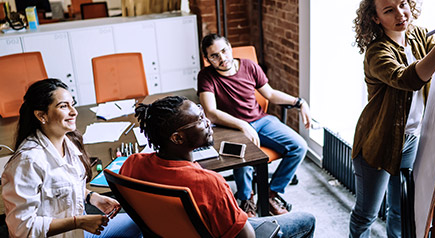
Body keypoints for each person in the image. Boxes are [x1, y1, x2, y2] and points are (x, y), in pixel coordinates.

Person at [349, 0, 435, 238]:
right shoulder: (376, 53)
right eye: (389, 11)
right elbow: (408, 79)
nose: (401, 14)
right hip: (376, 144)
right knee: (365, 215)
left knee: (399, 209)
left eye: (403, 5)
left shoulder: (418, 35)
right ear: (376, 19)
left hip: (409, 140)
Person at [120, 95, 316, 237]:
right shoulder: (210, 183)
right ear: (177, 138)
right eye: (200, 120)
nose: (208, 123)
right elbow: (246, 237)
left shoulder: (132, 164)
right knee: (307, 220)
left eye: (204, 115)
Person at [1, 78, 142, 238]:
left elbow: (60, 188)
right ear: (41, 115)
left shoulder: (68, 142)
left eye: (72, 104)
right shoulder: (27, 162)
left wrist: (92, 197)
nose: (74, 112)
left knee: (139, 222)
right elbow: (22, 229)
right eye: (63, 106)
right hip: (67, 232)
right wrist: (78, 222)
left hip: (78, 231)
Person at [197, 33, 312, 216]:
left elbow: (271, 94)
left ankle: (271, 194)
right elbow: (211, 112)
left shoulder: (249, 66)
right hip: (231, 127)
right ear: (207, 59)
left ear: (230, 46)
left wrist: (300, 102)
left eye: (224, 51)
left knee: (299, 146)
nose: (222, 58)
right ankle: (246, 198)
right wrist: (242, 125)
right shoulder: (206, 76)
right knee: (243, 158)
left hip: (261, 120)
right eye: (214, 56)